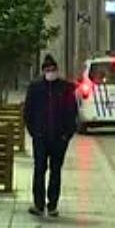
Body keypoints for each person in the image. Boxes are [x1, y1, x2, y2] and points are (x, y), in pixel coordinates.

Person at [22, 55, 78, 217]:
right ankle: (38, 204)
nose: (50, 72)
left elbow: (72, 112)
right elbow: (28, 112)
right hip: (40, 137)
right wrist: (34, 132)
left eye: (53, 69)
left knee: (56, 171)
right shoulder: (35, 88)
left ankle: (52, 205)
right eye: (47, 70)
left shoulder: (65, 88)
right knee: (39, 169)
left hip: (59, 138)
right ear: (43, 71)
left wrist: (66, 135)